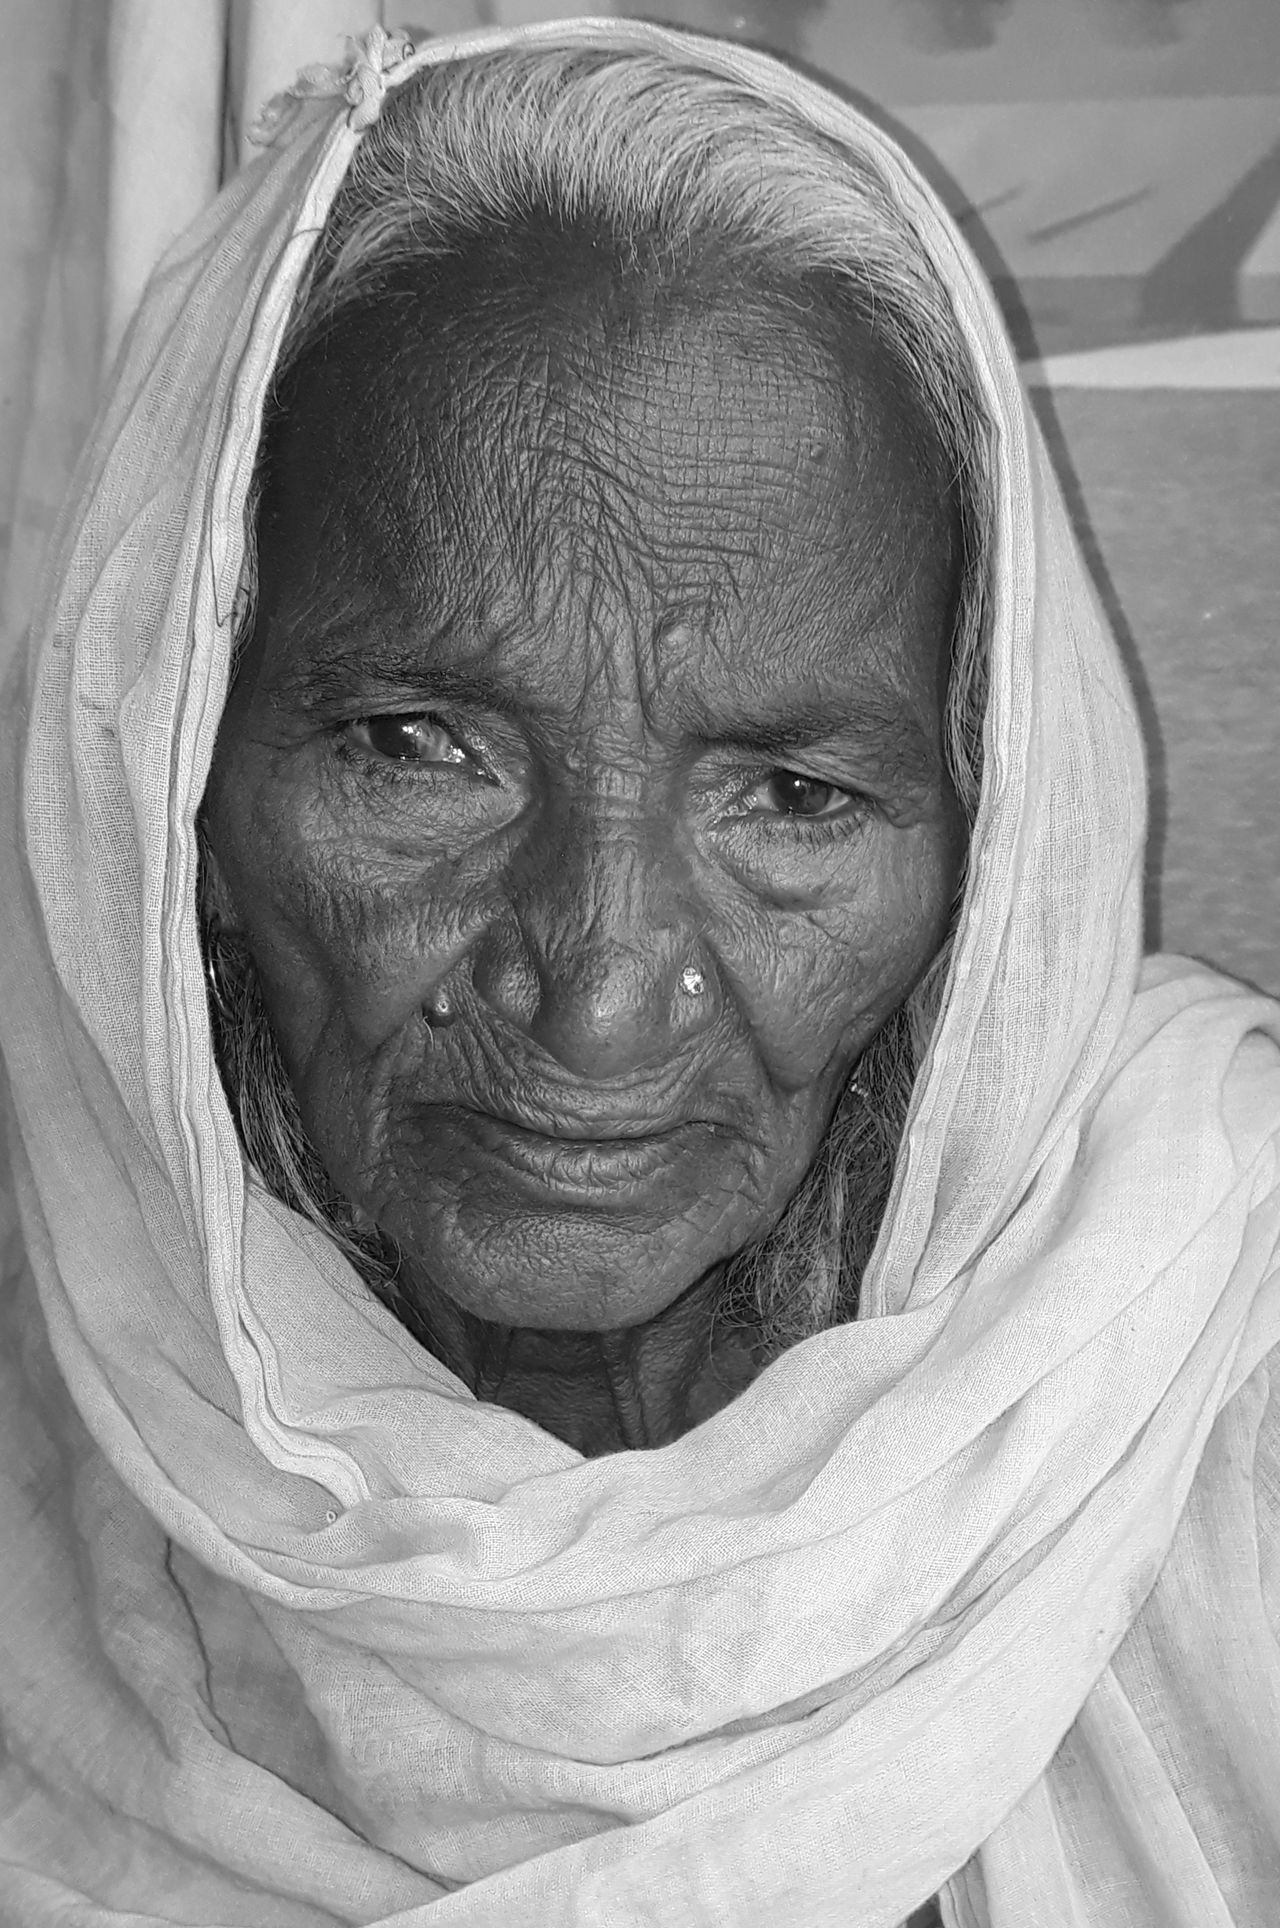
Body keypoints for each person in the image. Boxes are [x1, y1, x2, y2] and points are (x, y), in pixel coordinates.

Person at [0, 19, 1277, 1927]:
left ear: (1000, 835)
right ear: (170, 760)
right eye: (421, 746)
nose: (598, 994)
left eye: (792, 793)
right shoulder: (41, 1389)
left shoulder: (1212, 1369)